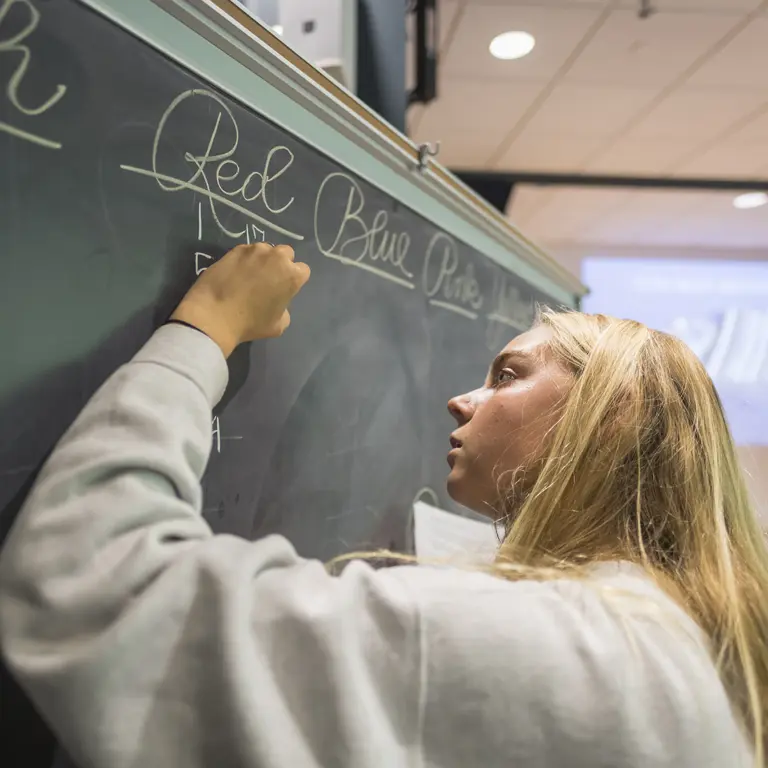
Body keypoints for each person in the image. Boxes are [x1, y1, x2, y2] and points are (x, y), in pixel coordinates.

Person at [0, 242, 765, 768]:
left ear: (616, 413)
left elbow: (93, 575)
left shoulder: (564, 643)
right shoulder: (679, 638)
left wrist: (204, 329)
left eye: (507, 375)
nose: (460, 399)